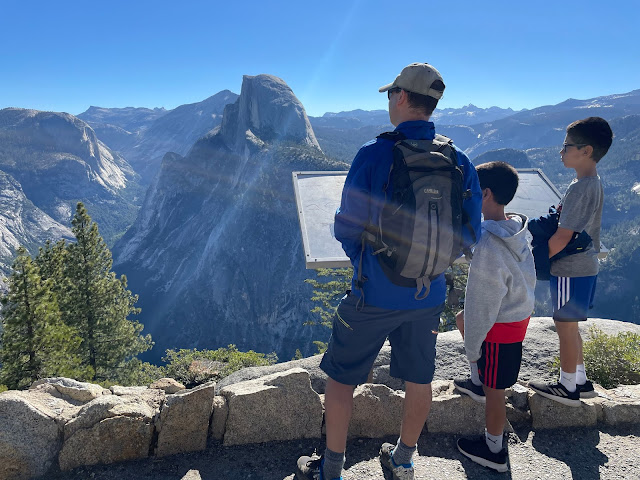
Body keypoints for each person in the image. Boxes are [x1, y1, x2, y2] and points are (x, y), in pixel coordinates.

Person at [296, 62, 482, 480]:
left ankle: (331, 469)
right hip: (428, 294)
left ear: (400, 97)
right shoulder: (459, 159)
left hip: (372, 294)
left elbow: (347, 224)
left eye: (389, 94)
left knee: (341, 381)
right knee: (419, 378)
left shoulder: (375, 153)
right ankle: (403, 461)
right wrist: (430, 263)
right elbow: (472, 233)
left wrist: (373, 260)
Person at [452, 161, 536, 472]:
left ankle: (494, 450)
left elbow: (482, 304)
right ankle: (478, 380)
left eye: (471, 192)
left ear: (485, 194)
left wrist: (473, 348)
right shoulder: (514, 228)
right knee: (461, 318)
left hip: (500, 325)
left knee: (495, 393)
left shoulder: (488, 245)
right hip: (517, 313)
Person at [529, 117, 613, 406]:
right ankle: (580, 380)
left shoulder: (580, 188)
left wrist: (535, 263)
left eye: (566, 147)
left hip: (570, 268)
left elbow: (564, 236)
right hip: (586, 266)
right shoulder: (591, 182)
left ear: (586, 150)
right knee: (572, 325)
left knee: (564, 326)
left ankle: (567, 388)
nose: (560, 152)